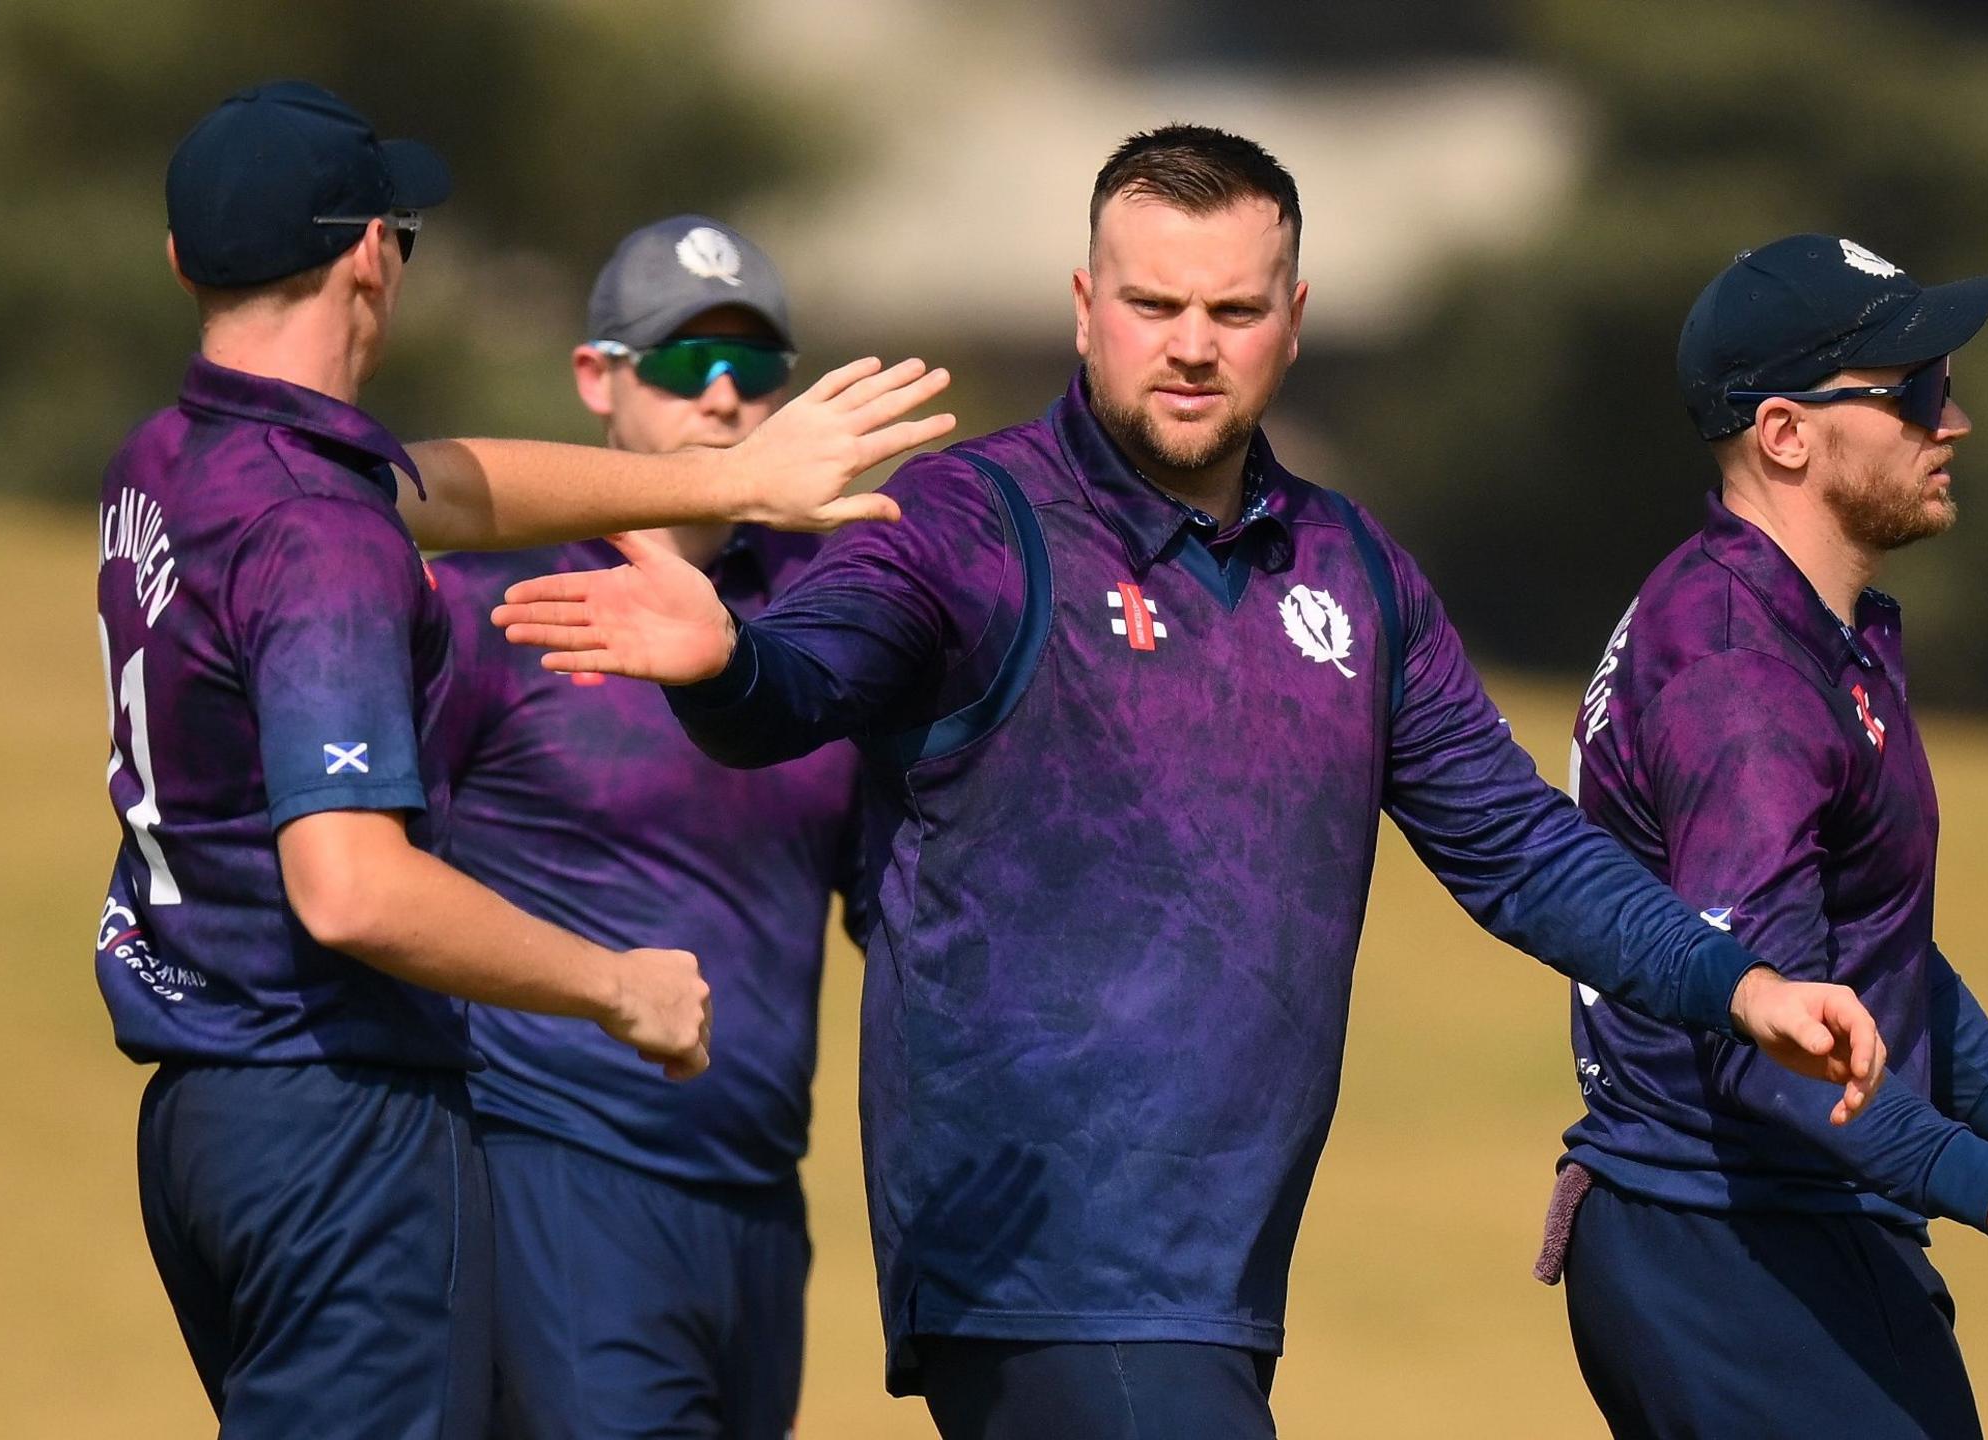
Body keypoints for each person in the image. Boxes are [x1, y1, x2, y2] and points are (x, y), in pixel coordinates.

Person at [493, 126, 1887, 1440]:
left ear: (1294, 314)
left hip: (1216, 1279)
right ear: (1086, 302)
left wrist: (1738, 983)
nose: (1191, 349)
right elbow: (795, 689)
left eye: (1232, 313)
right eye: (1155, 306)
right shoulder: (968, 525)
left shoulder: (1354, 568)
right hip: (1036, 1260)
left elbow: (1518, 847)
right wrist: (725, 661)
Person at [97, 83, 948, 1438]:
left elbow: (428, 480)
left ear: (182, 263)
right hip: (338, 1125)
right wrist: (615, 988)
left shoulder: (174, 460)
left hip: (204, 1114)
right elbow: (353, 888)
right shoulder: (324, 534)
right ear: (372, 253)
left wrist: (733, 485)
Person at [1543, 234, 1988, 1438]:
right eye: (1915, 392)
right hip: (1727, 1257)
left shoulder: (1824, 632)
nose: (1956, 420)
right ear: (1784, 434)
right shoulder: (1740, 679)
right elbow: (1766, 1039)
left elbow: (1872, 962)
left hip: (1800, 1234)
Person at [431, 216, 862, 1440]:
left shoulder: (826, 622)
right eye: (681, 361)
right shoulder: (493, 603)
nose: (721, 396)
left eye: (752, 366)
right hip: (560, 1175)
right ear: (595, 380)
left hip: (759, 1203)